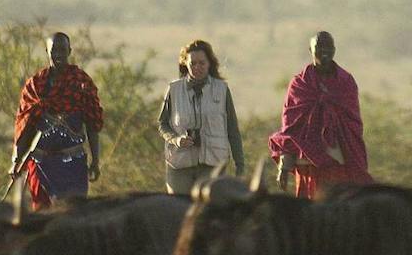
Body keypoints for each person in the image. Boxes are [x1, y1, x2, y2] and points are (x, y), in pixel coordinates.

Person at [268, 30, 370, 198]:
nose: (324, 51)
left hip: (338, 159)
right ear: (310, 50)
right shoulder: (300, 84)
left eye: (328, 47)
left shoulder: (346, 82)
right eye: (319, 46)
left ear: (335, 49)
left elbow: (354, 124)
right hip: (308, 162)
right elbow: (290, 127)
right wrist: (284, 166)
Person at [11, 31, 104, 207]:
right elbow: (23, 125)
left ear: (70, 51)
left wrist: (96, 161)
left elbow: (93, 124)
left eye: (62, 50)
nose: (58, 55)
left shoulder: (81, 83)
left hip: (73, 164)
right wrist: (16, 160)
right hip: (40, 163)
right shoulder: (35, 85)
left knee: (73, 215)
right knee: (42, 216)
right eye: (54, 50)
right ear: (47, 51)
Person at [158, 37, 244, 196]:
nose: (197, 67)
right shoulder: (174, 90)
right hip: (180, 164)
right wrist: (176, 139)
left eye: (202, 63)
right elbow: (163, 124)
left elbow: (232, 129)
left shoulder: (222, 89)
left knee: (210, 209)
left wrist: (240, 164)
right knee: (179, 208)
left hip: (213, 163)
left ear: (209, 63)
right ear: (185, 64)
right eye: (193, 63)